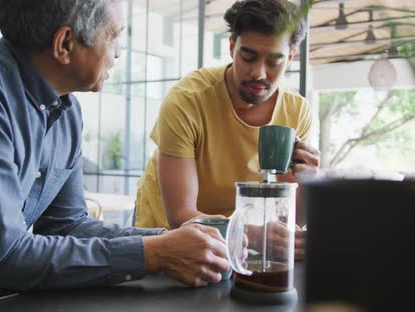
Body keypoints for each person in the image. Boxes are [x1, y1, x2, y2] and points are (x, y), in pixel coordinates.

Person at [0, 0, 229, 290]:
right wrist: (155, 253)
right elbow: (5, 257)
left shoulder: (64, 110)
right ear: (65, 43)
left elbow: (67, 225)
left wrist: (179, 238)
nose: (118, 52)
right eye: (114, 37)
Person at [135, 0, 321, 259]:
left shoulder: (297, 111)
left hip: (237, 244)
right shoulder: (188, 100)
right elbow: (180, 215)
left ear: (289, 57)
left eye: (274, 62)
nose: (258, 73)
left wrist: (307, 182)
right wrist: (255, 234)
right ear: (232, 46)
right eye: (248, 57)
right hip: (166, 238)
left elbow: (291, 217)